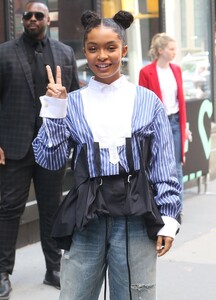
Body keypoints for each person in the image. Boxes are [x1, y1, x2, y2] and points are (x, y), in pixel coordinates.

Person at [33, 10, 181, 300]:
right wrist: (53, 109)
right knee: (75, 294)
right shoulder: (71, 103)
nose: (102, 56)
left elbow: (164, 166)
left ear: (123, 50)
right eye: (93, 48)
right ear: (85, 52)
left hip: (137, 216)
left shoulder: (147, 101)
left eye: (110, 48)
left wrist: (169, 219)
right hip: (86, 216)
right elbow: (50, 162)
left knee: (135, 295)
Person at [0, 1, 79, 299]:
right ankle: (2, 271)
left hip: (52, 144)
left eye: (38, 15)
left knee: (52, 209)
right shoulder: (4, 52)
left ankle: (54, 268)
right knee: (9, 210)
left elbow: (74, 97)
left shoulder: (64, 52)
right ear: (23, 20)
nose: (32, 19)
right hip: (14, 146)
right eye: (27, 15)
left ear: (48, 20)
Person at [139, 33, 189, 206]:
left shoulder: (176, 70)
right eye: (172, 48)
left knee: (175, 164)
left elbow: (180, 100)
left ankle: (176, 204)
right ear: (161, 50)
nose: (175, 52)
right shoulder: (146, 72)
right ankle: (159, 203)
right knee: (157, 163)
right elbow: (143, 102)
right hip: (157, 123)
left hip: (175, 122)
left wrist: (185, 127)